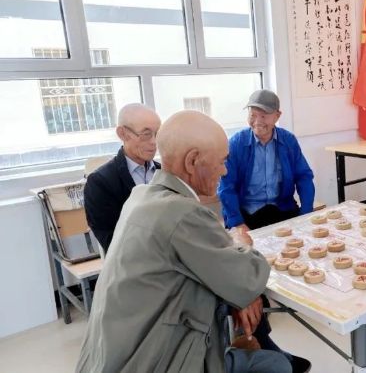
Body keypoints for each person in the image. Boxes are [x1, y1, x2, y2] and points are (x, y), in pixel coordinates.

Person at [76, 110, 292, 373]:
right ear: (192, 161)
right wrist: (242, 243)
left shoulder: (141, 195)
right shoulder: (182, 213)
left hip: (110, 358)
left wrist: (237, 290)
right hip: (150, 363)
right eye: (222, 161)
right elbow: (247, 277)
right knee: (277, 365)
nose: (225, 170)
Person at [218, 89, 315, 231]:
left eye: (263, 116)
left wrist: (306, 213)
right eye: (253, 115)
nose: (257, 122)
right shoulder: (236, 143)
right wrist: (237, 223)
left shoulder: (288, 140)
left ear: (277, 116)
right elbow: (226, 187)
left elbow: (303, 177)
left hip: (283, 210)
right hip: (247, 215)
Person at [84, 103, 161, 253]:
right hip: (134, 261)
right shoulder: (100, 182)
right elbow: (112, 243)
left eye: (157, 134)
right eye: (146, 134)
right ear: (122, 133)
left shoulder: (165, 173)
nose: (153, 142)